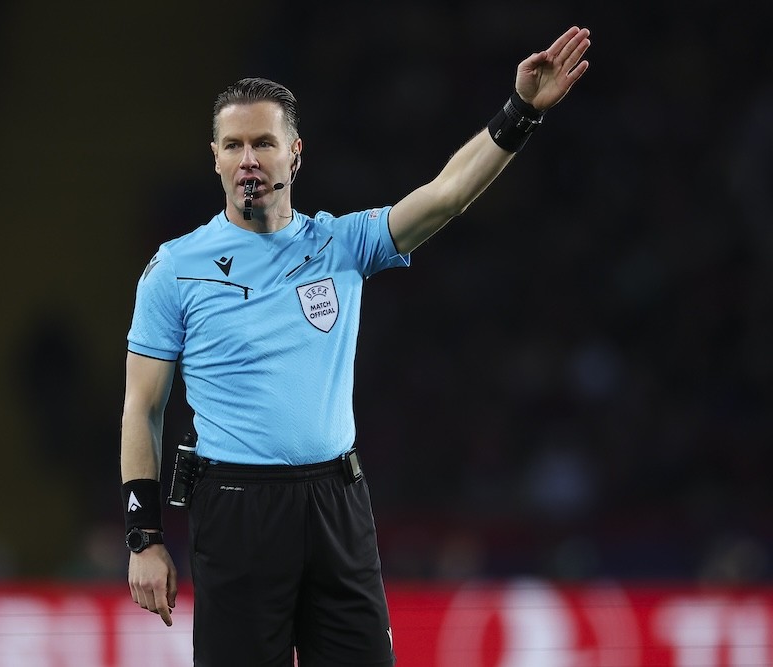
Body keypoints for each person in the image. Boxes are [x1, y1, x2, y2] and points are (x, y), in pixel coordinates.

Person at [120, 25, 592, 666]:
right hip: (236, 508)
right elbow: (141, 408)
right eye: (234, 145)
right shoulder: (174, 269)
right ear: (214, 157)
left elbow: (446, 195)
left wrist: (521, 112)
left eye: (264, 142)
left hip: (337, 503)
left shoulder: (341, 244)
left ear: (295, 153)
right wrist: (143, 537)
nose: (249, 159)